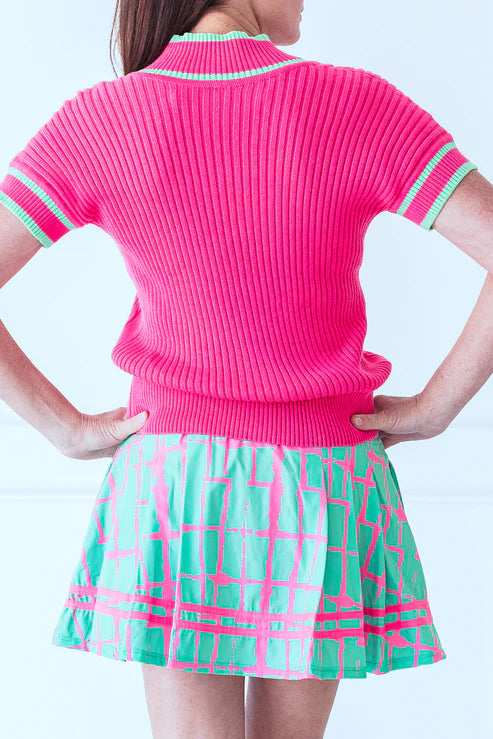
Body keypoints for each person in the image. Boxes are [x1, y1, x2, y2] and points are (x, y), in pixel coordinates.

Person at [0, 0, 491, 737]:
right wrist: (434, 407)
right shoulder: (353, 102)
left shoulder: (104, 118)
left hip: (176, 483)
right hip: (320, 480)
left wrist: (63, 428)